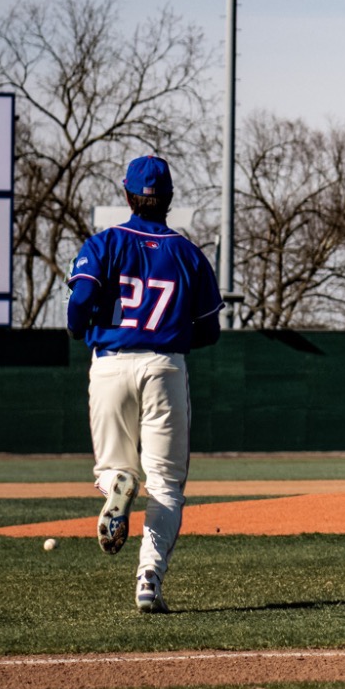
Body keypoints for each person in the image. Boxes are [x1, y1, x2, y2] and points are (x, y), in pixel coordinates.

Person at [67, 155, 223, 614]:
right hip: (164, 364)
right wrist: (169, 336)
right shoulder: (189, 253)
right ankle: (148, 580)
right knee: (167, 485)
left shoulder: (104, 243)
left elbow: (80, 304)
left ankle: (117, 481)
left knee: (116, 469)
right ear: (170, 199)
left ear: (127, 195)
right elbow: (210, 331)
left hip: (111, 361)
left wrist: (82, 329)